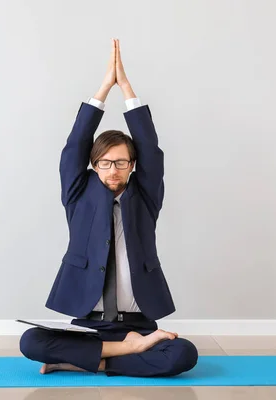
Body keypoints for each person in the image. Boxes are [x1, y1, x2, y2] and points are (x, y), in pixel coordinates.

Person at [20, 39, 198, 377]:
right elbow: (74, 145)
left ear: (133, 165)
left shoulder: (145, 196)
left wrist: (127, 88)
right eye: (104, 162)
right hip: (88, 326)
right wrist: (103, 89)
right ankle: (123, 353)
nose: (112, 169)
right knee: (30, 341)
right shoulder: (78, 193)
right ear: (93, 164)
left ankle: (89, 360)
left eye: (120, 162)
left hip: (140, 323)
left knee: (183, 354)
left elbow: (151, 148)